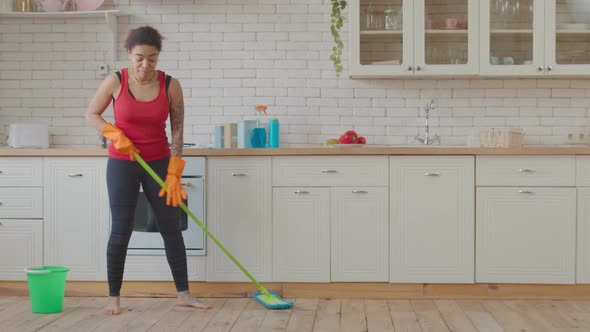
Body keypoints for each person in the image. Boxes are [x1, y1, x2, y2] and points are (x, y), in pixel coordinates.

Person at [86, 26, 212, 315]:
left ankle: (184, 294)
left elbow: (177, 130)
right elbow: (91, 113)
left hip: (158, 162)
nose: (145, 65)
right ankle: (113, 298)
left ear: (159, 56)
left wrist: (174, 170)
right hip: (122, 164)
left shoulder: (170, 85)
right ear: (129, 54)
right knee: (121, 231)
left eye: (152, 59)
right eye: (139, 58)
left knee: (172, 229)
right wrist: (113, 133)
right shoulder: (116, 81)